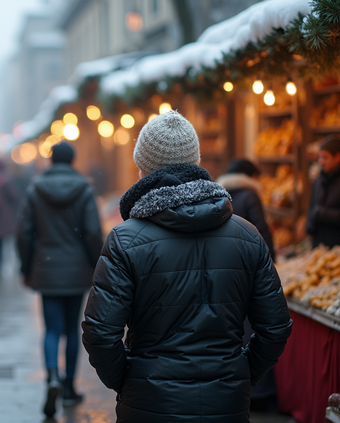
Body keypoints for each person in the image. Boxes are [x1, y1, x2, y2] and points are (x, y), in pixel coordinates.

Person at [81, 111, 292, 423]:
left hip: (150, 404)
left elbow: (100, 332)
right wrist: (240, 374)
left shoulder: (125, 239)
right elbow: (275, 328)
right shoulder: (247, 235)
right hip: (226, 403)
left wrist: (129, 379)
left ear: (143, 167)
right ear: (196, 161)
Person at [17, 142, 103, 418]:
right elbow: (92, 232)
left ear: (51, 160)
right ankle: (69, 386)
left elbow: (24, 232)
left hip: (47, 266)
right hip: (76, 268)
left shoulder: (35, 189)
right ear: (73, 159)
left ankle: (51, 376)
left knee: (52, 329)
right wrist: (96, 263)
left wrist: (27, 266)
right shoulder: (85, 189)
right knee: (71, 329)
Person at [217, 158, 277, 410]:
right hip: (250, 270)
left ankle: (234, 385)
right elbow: (261, 235)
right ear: (250, 176)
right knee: (254, 326)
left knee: (233, 326)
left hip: (226, 269)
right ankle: (258, 390)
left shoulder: (221, 195)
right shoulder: (251, 195)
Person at [216, 159, 275, 259]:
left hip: (221, 255)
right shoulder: (250, 196)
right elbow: (261, 229)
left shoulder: (218, 195)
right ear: (252, 176)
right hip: (246, 257)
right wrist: (271, 257)